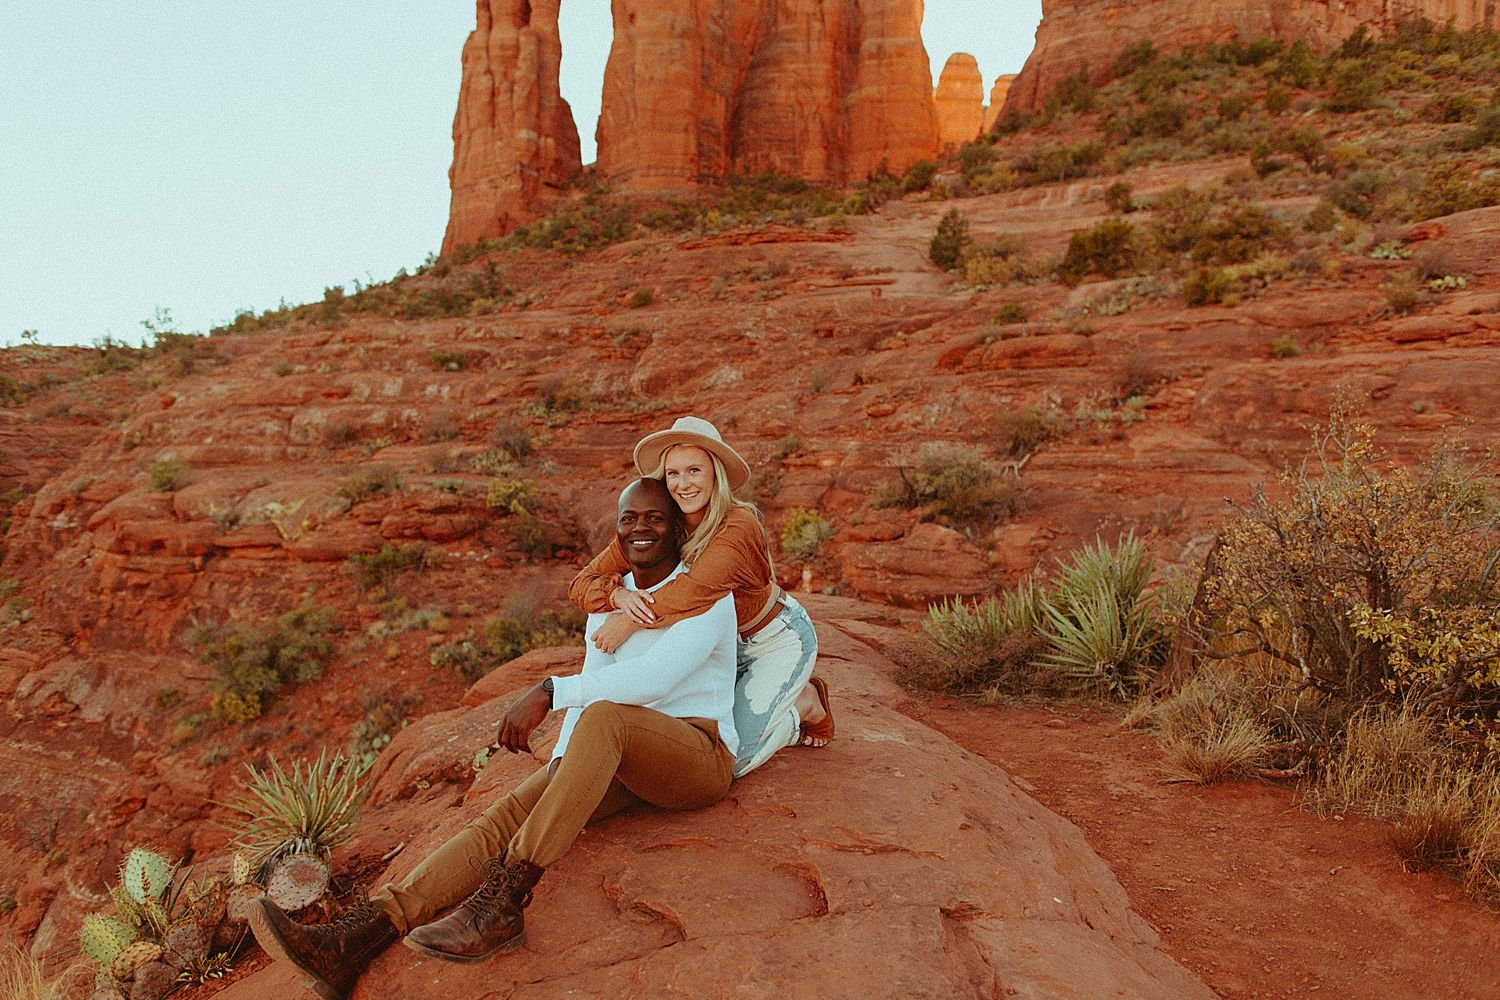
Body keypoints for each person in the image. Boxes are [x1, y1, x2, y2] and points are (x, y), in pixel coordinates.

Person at [247, 478, 740, 999]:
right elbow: (600, 678)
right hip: (623, 756)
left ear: (680, 527)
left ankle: (503, 903)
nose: (640, 528)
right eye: (628, 518)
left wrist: (551, 690)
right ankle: (357, 939)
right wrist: (567, 764)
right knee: (506, 815)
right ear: (616, 531)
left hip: (696, 756)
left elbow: (653, 681)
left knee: (604, 717)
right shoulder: (608, 600)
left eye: (655, 518)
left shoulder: (707, 592)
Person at [569, 416, 832, 777]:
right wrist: (616, 597)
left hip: (770, 641)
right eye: (673, 474)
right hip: (712, 650)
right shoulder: (660, 521)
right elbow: (582, 583)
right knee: (672, 743)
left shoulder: (738, 524)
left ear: (715, 473)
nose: (683, 484)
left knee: (728, 761)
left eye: (694, 470)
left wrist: (630, 620)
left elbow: (695, 591)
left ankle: (804, 707)